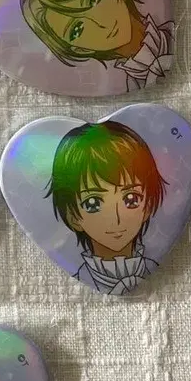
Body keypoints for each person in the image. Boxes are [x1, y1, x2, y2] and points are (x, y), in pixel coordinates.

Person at [21, 0, 174, 92]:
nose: (101, 24)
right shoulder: (129, 84)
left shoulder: (174, 34)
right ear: (79, 49)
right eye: (77, 30)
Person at [48, 120, 167, 294]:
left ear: (147, 206)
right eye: (93, 203)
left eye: (131, 199)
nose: (116, 219)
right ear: (73, 216)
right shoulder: (79, 279)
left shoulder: (155, 268)